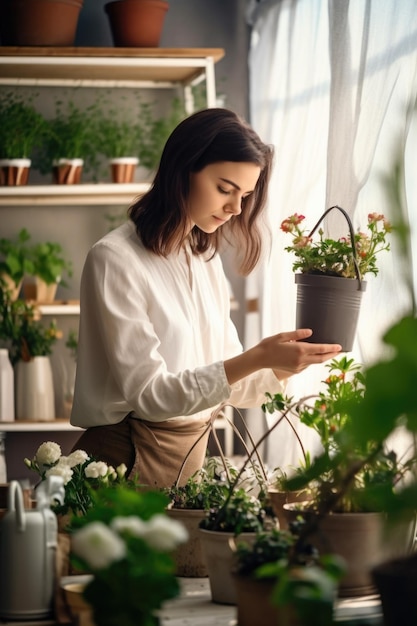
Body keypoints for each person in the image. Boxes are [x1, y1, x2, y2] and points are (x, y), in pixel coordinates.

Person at [70, 108, 341, 488]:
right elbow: (150, 396)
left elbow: (231, 382)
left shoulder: (203, 259)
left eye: (245, 195)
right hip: (119, 465)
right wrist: (259, 356)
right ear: (183, 170)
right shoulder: (114, 259)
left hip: (181, 466)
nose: (235, 208)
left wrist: (287, 362)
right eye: (225, 189)